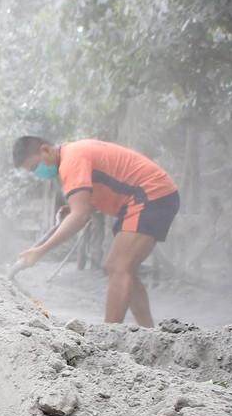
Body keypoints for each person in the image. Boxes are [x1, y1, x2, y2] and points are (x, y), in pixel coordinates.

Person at [12, 135, 180, 327]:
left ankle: (108, 336)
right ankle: (149, 331)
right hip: (142, 198)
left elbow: (81, 215)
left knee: (118, 266)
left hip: (151, 193)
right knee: (125, 269)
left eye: (35, 167)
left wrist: (40, 251)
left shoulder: (71, 160)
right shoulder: (73, 154)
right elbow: (86, 207)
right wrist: (78, 209)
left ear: (46, 150)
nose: (38, 173)